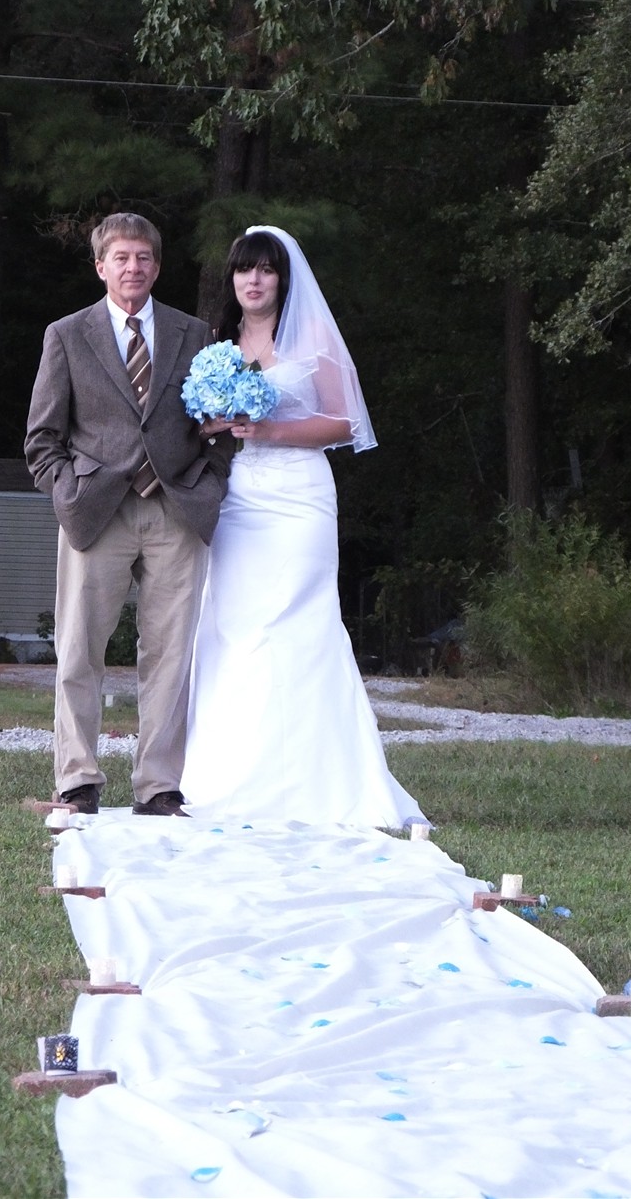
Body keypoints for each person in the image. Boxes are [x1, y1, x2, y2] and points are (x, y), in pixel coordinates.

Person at [180, 225, 428, 829]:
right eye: (244, 269)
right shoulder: (218, 343)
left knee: (297, 623)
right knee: (233, 626)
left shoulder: (312, 337)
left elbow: (345, 423)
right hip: (238, 497)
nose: (254, 280)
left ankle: (318, 783)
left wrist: (271, 430)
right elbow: (197, 425)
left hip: (298, 496)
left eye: (266, 270)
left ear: (283, 279)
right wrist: (216, 424)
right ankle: (228, 776)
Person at [25, 213, 233, 817]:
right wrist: (68, 492)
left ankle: (159, 785)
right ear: (100, 266)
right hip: (97, 512)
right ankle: (77, 780)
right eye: (121, 258)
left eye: (143, 257)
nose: (133, 268)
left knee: (170, 653)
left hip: (176, 508)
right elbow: (42, 439)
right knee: (79, 649)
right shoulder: (67, 335)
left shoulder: (195, 334)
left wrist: (209, 480)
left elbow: (219, 424)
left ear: (157, 266)